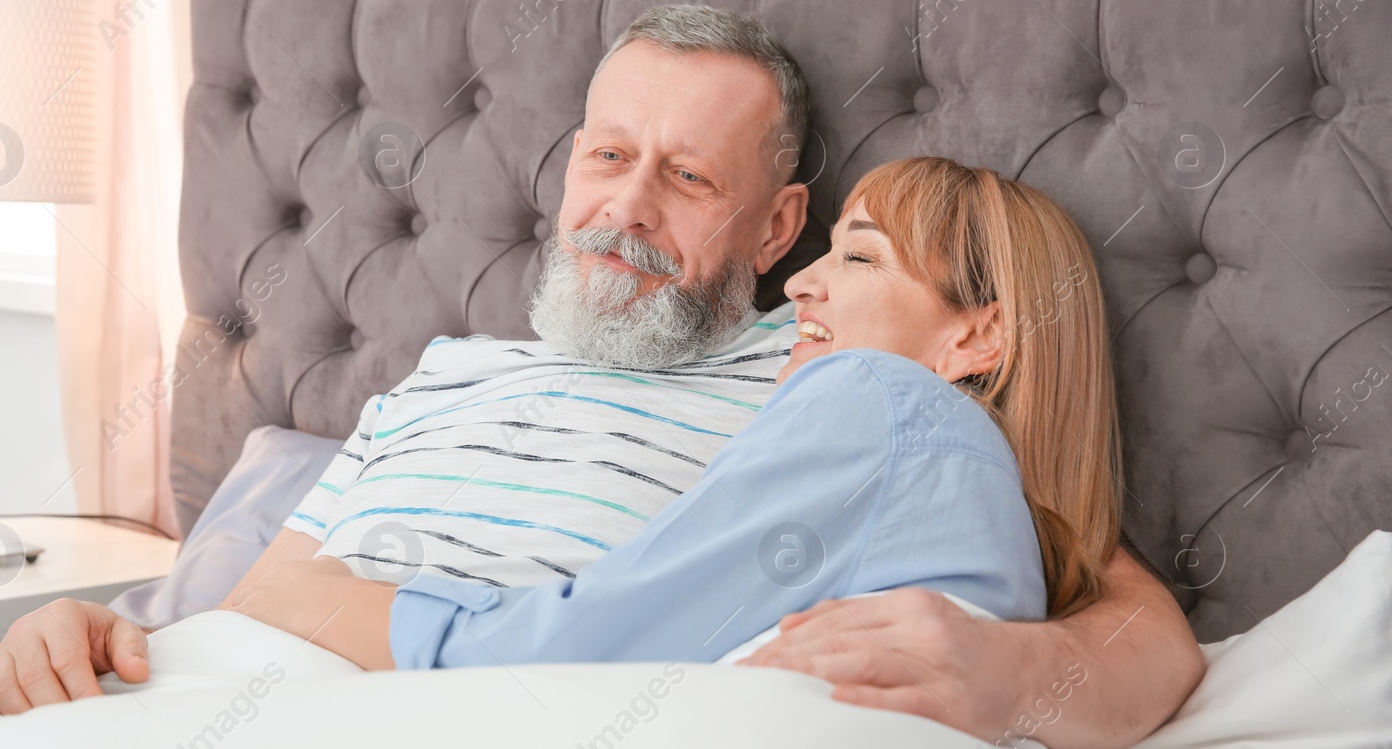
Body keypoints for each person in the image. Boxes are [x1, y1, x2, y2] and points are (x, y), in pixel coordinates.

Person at [0, 4, 1204, 749]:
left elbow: (1126, 613)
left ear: (778, 226)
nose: (622, 207)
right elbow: (243, 601)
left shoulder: (834, 368)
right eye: (608, 156)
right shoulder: (441, 376)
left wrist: (1017, 674)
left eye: (686, 178)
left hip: (471, 733)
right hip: (216, 699)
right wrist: (91, 630)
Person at [219, 157, 1114, 675]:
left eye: (862, 260)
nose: (802, 282)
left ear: (978, 335)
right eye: (605, 154)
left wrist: (362, 614)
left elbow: (593, 638)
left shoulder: (879, 397)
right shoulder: (973, 487)